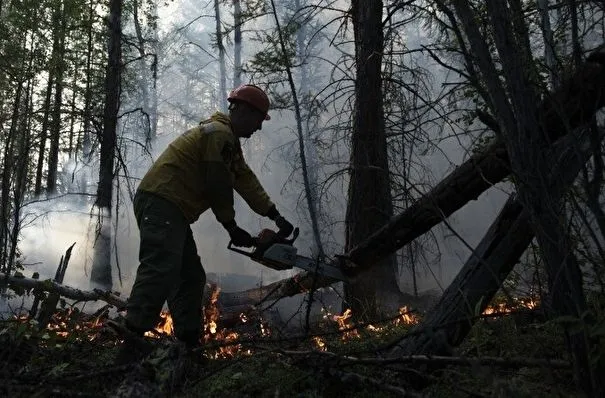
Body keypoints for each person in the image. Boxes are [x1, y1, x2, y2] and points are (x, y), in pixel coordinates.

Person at [114, 84, 294, 363]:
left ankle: (188, 344)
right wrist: (232, 227)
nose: (259, 128)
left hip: (171, 206)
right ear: (245, 111)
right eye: (259, 120)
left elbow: (244, 179)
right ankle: (132, 340)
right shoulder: (219, 136)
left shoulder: (226, 141)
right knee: (160, 266)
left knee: (190, 276)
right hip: (162, 200)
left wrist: (274, 215)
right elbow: (218, 184)